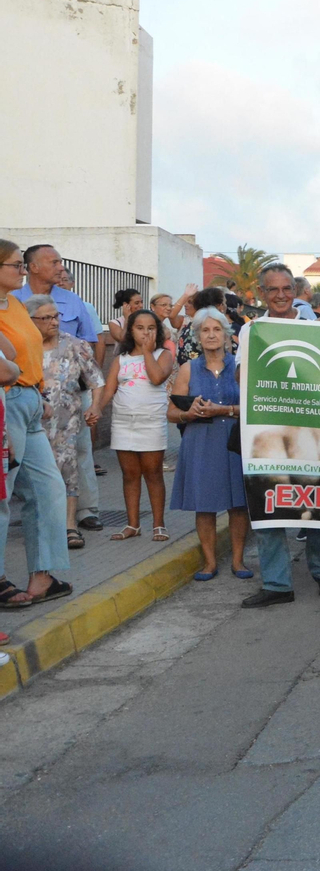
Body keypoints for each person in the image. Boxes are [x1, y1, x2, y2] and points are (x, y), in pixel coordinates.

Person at [240, 263, 320, 608]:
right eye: (273, 289)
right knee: (267, 510)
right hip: (265, 435)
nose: (281, 295)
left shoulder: (317, 330)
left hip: (312, 438)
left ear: (296, 292)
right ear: (262, 293)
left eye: (287, 288)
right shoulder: (251, 331)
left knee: (316, 509)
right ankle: (277, 584)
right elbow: (241, 377)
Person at [0, 240, 75, 609]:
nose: (22, 271)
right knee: (2, 495)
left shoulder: (14, 304)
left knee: (49, 490)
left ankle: (43, 575)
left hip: (29, 400)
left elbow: (23, 353)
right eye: (16, 265)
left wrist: (39, 391)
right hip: (7, 402)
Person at [22, 245, 106, 532]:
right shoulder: (13, 300)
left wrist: (90, 395)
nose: (60, 266)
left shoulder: (72, 300)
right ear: (33, 267)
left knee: (79, 453)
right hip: (30, 402)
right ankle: (40, 517)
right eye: (54, 262)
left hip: (71, 394)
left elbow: (92, 340)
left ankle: (85, 511)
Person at [166, 308, 251, 582]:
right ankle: (209, 563)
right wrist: (187, 415)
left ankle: (238, 560)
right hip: (200, 441)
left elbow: (254, 408)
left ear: (226, 335)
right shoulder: (188, 369)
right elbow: (170, 413)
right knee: (204, 505)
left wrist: (224, 410)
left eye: (216, 329)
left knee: (239, 504)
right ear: (198, 336)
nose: (211, 335)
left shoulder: (241, 366)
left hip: (235, 441)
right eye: (205, 330)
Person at [93, 308, 174, 542]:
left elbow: (157, 378)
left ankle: (158, 524)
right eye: (140, 328)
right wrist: (96, 408)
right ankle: (132, 524)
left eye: (151, 328)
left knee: (153, 473)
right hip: (123, 423)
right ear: (130, 331)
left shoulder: (163, 354)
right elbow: (109, 389)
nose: (145, 333)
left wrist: (147, 352)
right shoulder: (121, 359)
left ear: (158, 331)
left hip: (151, 422)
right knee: (129, 474)